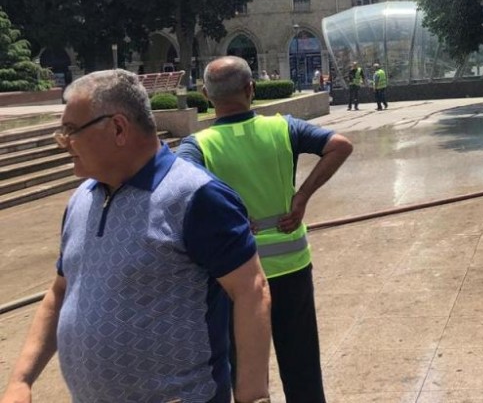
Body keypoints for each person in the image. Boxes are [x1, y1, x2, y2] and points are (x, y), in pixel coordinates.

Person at [0, 70, 271, 403]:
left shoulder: (195, 196)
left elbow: (251, 290)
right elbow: (60, 291)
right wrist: (21, 380)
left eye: (71, 130)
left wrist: (252, 396)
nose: (63, 141)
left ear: (117, 128)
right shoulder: (82, 199)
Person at [175, 57, 354, 403]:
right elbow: (340, 145)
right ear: (250, 89)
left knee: (245, 376)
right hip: (292, 266)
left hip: (235, 280)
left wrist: (230, 213)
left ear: (206, 95)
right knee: (302, 367)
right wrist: (301, 196)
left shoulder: (198, 145)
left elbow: (178, 186)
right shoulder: (283, 128)